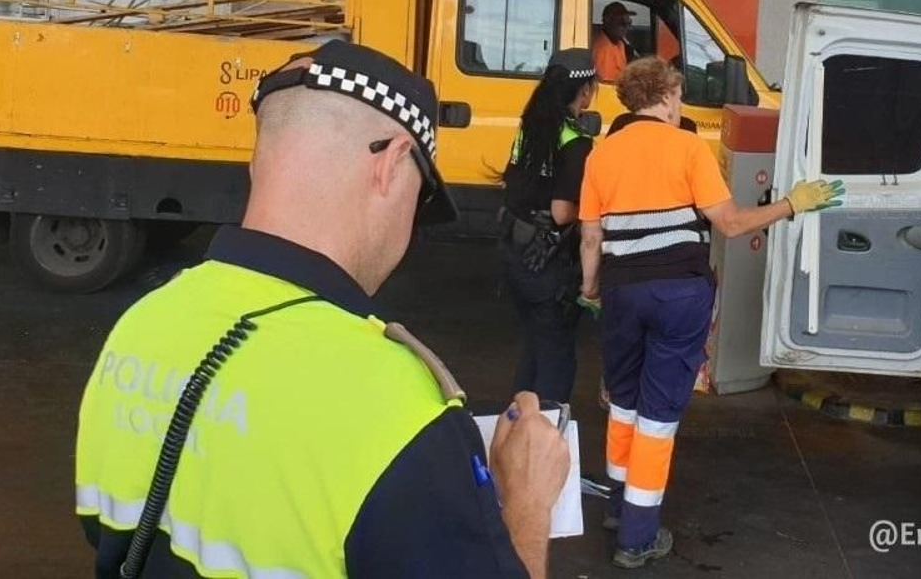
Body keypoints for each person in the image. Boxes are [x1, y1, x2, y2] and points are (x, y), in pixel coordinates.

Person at [75, 41, 570, 579]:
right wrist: (526, 504)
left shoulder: (141, 325)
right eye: (419, 199)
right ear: (391, 162)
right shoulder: (397, 408)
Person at [577, 58, 843, 568]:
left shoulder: (601, 154)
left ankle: (617, 505)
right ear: (668, 97)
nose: (679, 105)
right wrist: (792, 203)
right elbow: (734, 223)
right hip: (678, 295)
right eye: (678, 95)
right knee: (657, 418)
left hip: (622, 293)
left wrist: (592, 288)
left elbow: (591, 237)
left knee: (625, 403)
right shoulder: (687, 147)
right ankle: (636, 538)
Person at [500, 48, 600, 405]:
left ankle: (516, 430)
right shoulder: (576, 141)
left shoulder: (531, 125)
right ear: (586, 90)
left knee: (534, 348)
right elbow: (561, 212)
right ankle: (541, 442)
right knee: (556, 360)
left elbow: (513, 182)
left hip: (514, 250)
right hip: (548, 263)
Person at [591, 1, 637, 81]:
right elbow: (606, 84)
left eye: (629, 23)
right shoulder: (602, 49)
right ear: (608, 21)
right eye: (622, 23)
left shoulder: (620, 43)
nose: (626, 28)